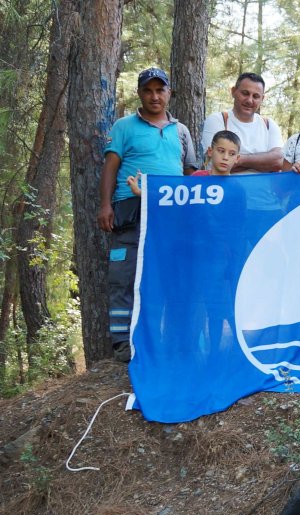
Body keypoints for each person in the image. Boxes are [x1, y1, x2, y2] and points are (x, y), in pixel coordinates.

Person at [98, 67, 200, 358]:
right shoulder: (124, 126)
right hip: (129, 210)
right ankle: (122, 343)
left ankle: (164, 337)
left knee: (166, 272)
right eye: (148, 90)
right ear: (140, 93)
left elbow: (190, 172)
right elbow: (111, 166)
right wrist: (105, 205)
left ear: (169, 93)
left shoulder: (180, 131)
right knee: (125, 273)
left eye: (160, 90)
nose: (154, 96)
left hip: (170, 212)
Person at [198, 72, 282, 174]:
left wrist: (239, 160)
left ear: (262, 99)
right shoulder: (217, 120)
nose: (249, 100)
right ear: (233, 91)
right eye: (245, 93)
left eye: (256, 96)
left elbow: (278, 162)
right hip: (224, 189)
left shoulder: (269, 125)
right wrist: (264, 163)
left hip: (262, 190)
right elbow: (216, 163)